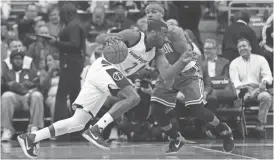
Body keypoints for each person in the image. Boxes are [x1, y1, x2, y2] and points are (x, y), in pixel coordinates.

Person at [17, 19, 194, 158]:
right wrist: (114, 41)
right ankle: (96, 130)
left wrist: (182, 61)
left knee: (77, 122)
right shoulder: (133, 35)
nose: (165, 39)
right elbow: (99, 39)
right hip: (104, 67)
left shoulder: (157, 51)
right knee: (134, 97)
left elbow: (167, 74)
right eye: (163, 35)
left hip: (107, 74)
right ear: (153, 32)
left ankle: (32, 138)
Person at [145, 2, 234, 154]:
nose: (149, 14)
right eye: (147, 12)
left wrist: (169, 74)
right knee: (156, 110)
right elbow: (157, 58)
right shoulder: (150, 34)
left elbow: (185, 56)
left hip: (187, 72)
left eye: (153, 11)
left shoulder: (174, 31)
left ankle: (224, 129)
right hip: (171, 72)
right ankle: (176, 138)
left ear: (162, 14)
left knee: (197, 110)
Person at [229, 38, 272, 132]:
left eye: (244, 46)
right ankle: (239, 127)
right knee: (235, 100)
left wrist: (263, 82)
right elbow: (234, 82)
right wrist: (245, 90)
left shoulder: (260, 59)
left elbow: (268, 76)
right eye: (240, 47)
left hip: (258, 89)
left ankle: (260, 124)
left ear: (250, 47)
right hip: (242, 90)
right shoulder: (234, 63)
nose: (242, 48)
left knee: (266, 97)